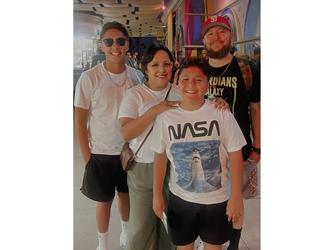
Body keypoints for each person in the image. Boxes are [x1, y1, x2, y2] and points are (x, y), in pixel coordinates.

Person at [152, 58, 246, 250]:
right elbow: (160, 157)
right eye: (185, 79)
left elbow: (236, 154)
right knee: (184, 246)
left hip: (217, 200)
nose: (191, 85)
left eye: (198, 79)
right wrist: (156, 195)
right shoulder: (166, 117)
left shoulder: (220, 113)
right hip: (180, 199)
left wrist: (236, 196)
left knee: (214, 246)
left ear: (207, 83)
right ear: (177, 82)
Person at [74, 21, 145, 250]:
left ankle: (125, 234)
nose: (115, 46)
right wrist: (88, 159)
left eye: (120, 41)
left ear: (127, 45)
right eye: (109, 42)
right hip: (101, 152)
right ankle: (102, 243)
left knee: (125, 196)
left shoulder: (137, 76)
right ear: (101, 46)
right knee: (103, 201)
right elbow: (80, 122)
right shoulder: (89, 78)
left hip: (130, 151)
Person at [201, 15, 261, 250]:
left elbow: (256, 109)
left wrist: (258, 148)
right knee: (208, 201)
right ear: (203, 40)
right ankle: (210, 239)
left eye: (222, 31)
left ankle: (233, 245)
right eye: (210, 33)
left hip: (240, 149)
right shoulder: (198, 71)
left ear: (231, 36)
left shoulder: (247, 68)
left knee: (236, 201)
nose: (216, 37)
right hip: (206, 150)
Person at [118, 43, 180, 250]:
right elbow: (126, 132)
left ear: (173, 66)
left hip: (176, 168)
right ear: (145, 68)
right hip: (144, 168)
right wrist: (155, 110)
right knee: (141, 229)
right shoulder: (135, 95)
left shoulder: (181, 92)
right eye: (155, 65)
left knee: (170, 227)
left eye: (166, 64)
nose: (161, 70)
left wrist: (219, 103)